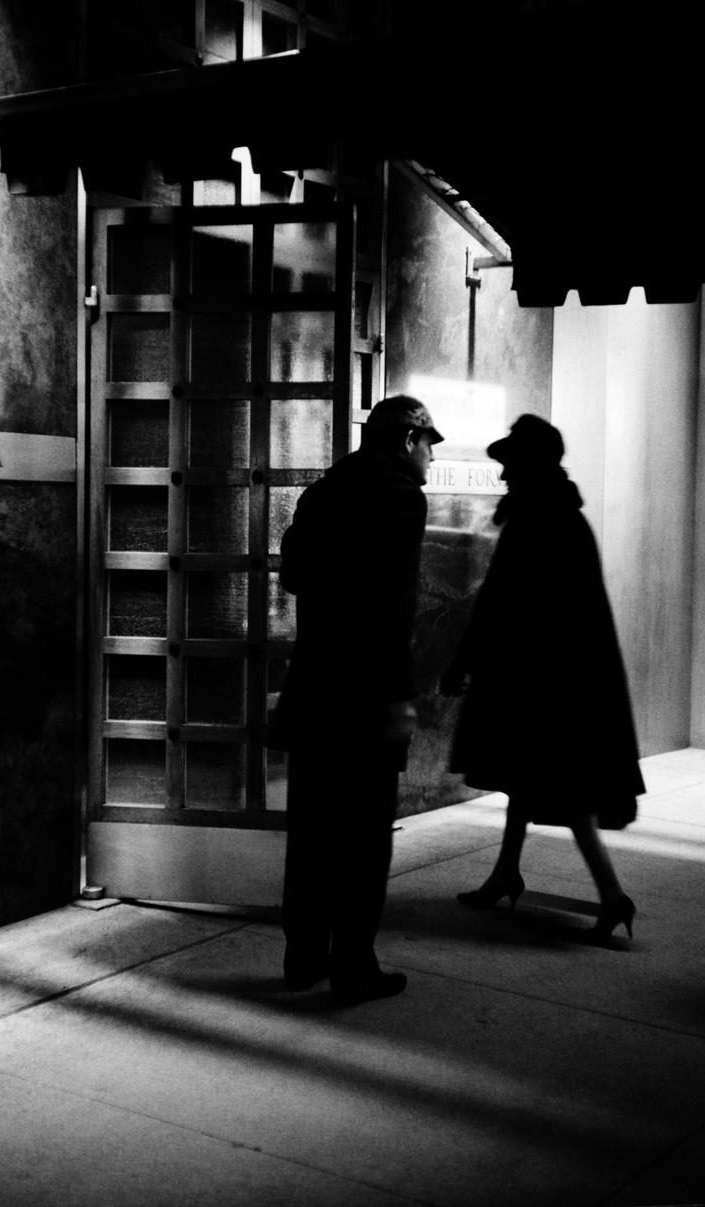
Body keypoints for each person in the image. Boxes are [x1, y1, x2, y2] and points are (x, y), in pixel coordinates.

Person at [440, 414, 644, 942]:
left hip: (539, 683)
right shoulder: (561, 516)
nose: (503, 474)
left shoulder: (537, 520)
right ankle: (506, 874)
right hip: (557, 680)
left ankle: (612, 895)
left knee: (559, 791)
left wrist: (463, 661)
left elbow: (499, 603)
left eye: (509, 464)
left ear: (528, 466)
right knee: (527, 780)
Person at [269, 394, 442, 1005]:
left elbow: (291, 575)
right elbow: (396, 608)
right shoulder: (402, 501)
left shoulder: (322, 494)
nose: (429, 457)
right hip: (368, 695)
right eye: (427, 444)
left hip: (316, 688)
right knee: (366, 836)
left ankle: (303, 956)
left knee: (313, 829)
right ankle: (353, 965)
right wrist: (401, 694)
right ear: (405, 441)